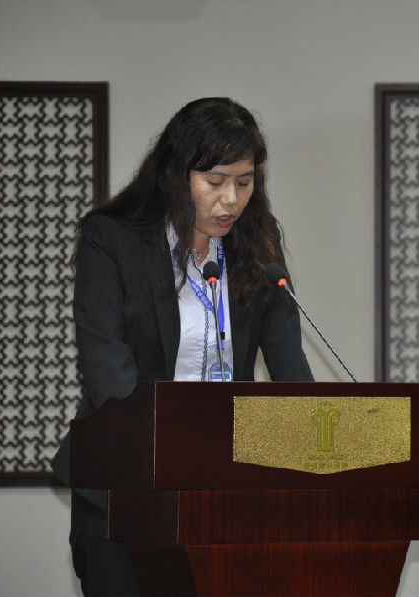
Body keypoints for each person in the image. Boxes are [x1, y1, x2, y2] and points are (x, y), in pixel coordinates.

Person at [50, 97, 314, 596]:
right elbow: (109, 373)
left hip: (224, 492)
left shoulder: (257, 243)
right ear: (176, 174)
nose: (231, 199)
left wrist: (319, 437)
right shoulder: (113, 240)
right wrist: (183, 454)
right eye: (215, 181)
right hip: (123, 485)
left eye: (245, 181)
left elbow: (290, 366)